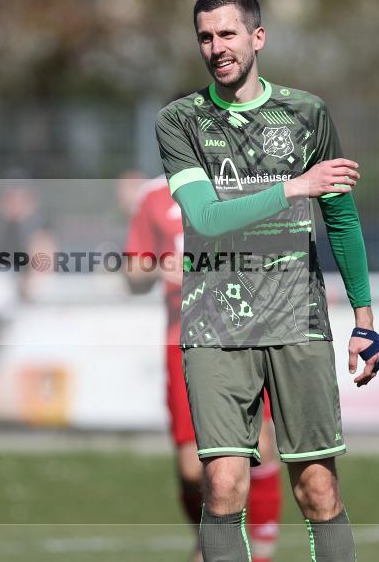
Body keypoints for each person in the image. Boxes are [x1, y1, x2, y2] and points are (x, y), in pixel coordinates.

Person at [156, 0, 379, 562]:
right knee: (224, 485)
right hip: (215, 323)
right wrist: (292, 187)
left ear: (257, 37)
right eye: (205, 37)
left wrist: (364, 318)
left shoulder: (307, 114)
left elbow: (341, 219)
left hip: (296, 319)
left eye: (227, 34)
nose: (216, 47)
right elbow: (206, 217)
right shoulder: (180, 121)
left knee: (318, 489)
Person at [125, 175, 282, 562]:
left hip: (242, 330)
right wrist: (161, 267)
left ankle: (257, 551)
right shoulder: (154, 195)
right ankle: (209, 540)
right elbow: (132, 275)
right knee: (194, 470)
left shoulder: (247, 183)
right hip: (184, 337)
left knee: (259, 445)